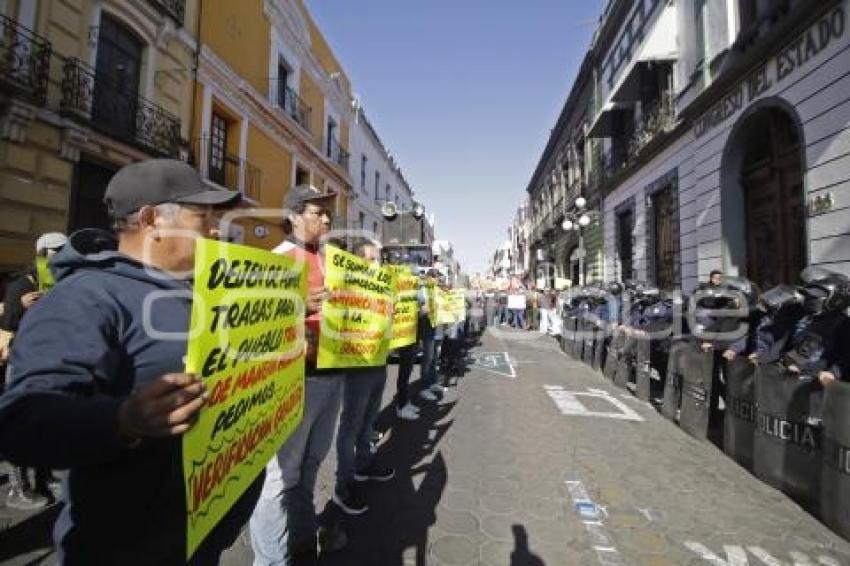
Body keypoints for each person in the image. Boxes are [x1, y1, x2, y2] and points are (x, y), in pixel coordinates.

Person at [0, 160, 252, 564]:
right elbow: (20, 421)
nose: (213, 229)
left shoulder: (203, 290)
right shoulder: (84, 299)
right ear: (153, 219)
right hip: (125, 548)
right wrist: (123, 420)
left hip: (200, 533)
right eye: (202, 217)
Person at [250, 185, 346, 565]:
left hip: (332, 376)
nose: (325, 219)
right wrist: (295, 306)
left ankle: (303, 539)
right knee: (279, 477)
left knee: (310, 466)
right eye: (316, 212)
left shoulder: (330, 260)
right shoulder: (276, 261)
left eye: (328, 214)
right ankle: (272, 560)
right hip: (296, 380)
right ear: (292, 215)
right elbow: (252, 326)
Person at [0, 231, 68, 511]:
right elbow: (7, 325)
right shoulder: (21, 284)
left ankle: (43, 477)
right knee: (21, 422)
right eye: (57, 250)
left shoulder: (59, 282)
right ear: (43, 254)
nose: (62, 254)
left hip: (48, 359)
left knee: (44, 422)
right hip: (22, 362)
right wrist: (21, 306)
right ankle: (18, 488)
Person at [332, 240, 395, 516]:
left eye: (378, 259)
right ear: (357, 263)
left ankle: (364, 463)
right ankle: (344, 482)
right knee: (351, 423)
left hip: (378, 363)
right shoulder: (348, 288)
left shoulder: (383, 290)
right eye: (370, 260)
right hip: (356, 365)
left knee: (369, 420)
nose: (377, 265)